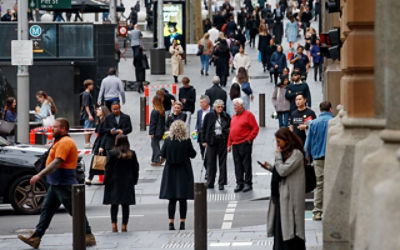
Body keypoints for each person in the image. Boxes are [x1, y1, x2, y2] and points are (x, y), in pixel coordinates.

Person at [18, 118, 96, 248]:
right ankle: (36, 237)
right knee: (47, 210)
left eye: (55, 127)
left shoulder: (65, 142)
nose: (52, 129)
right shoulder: (60, 141)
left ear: (63, 129)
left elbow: (58, 161)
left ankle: (88, 236)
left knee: (74, 211)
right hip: (56, 183)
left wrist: (39, 175)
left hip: (63, 183)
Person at [262, 127, 306, 250]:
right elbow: (282, 170)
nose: (277, 145)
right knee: (281, 229)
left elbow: (283, 171)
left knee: (291, 229)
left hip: (290, 198)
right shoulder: (286, 154)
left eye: (279, 141)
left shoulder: (296, 154)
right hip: (282, 197)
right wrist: (271, 168)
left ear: (287, 140)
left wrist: (277, 157)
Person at [159, 120, 196, 230]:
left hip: (170, 171)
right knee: (182, 199)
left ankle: (171, 223)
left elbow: (162, 154)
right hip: (184, 171)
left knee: (172, 199)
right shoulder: (186, 141)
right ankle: (182, 222)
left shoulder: (167, 141)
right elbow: (193, 154)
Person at [304, 101, 334, 221]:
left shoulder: (313, 123)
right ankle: (330, 209)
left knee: (319, 185)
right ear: (331, 109)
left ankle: (317, 211)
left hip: (318, 158)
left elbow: (308, 143)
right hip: (332, 157)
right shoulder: (334, 123)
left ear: (320, 110)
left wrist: (306, 157)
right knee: (331, 184)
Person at [103, 134, 139, 232]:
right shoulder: (132, 153)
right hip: (127, 182)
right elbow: (136, 169)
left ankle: (114, 225)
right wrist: (134, 180)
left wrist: (105, 180)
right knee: (125, 205)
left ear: (116, 141)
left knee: (114, 205)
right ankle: (124, 226)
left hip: (114, 182)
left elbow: (107, 169)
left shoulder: (112, 153)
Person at [227, 98, 259, 193]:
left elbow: (255, 128)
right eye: (234, 106)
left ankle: (248, 183)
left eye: (236, 106)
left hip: (244, 143)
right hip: (235, 144)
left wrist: (249, 139)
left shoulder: (248, 115)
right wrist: (229, 144)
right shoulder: (234, 116)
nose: (235, 108)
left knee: (246, 164)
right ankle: (239, 183)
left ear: (242, 106)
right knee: (237, 165)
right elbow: (231, 131)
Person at [202, 99, 231, 190]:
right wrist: (203, 140)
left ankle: (221, 183)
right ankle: (210, 182)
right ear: (214, 107)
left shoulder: (226, 116)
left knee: (223, 163)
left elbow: (230, 128)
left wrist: (229, 142)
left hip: (222, 140)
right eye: (218, 107)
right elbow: (204, 128)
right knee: (211, 163)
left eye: (222, 106)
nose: (220, 108)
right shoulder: (209, 116)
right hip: (211, 141)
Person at [86, 106, 111, 184]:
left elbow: (105, 134)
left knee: (97, 160)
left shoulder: (106, 121)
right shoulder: (100, 121)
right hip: (99, 142)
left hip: (103, 143)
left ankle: (90, 178)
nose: (97, 111)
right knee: (99, 160)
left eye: (99, 110)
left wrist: (101, 146)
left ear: (103, 112)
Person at [195, 95, 213, 176]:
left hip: (210, 136)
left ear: (207, 103)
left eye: (202, 102)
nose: (200, 104)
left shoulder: (213, 111)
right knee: (203, 154)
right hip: (201, 136)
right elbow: (198, 123)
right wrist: (196, 129)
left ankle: (208, 172)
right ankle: (207, 169)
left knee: (209, 154)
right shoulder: (199, 112)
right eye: (200, 102)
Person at [149, 95, 166, 166]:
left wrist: (151, 132)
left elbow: (153, 123)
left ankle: (157, 159)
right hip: (161, 131)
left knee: (154, 145)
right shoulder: (162, 110)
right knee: (155, 144)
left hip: (156, 132)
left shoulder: (154, 111)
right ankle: (154, 159)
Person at [80, 79, 95, 148]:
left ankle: (88, 142)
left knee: (90, 128)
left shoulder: (88, 94)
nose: (93, 86)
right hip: (88, 114)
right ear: (88, 86)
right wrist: (89, 115)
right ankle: (86, 143)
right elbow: (86, 105)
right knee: (87, 128)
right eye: (91, 85)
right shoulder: (86, 94)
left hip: (90, 113)